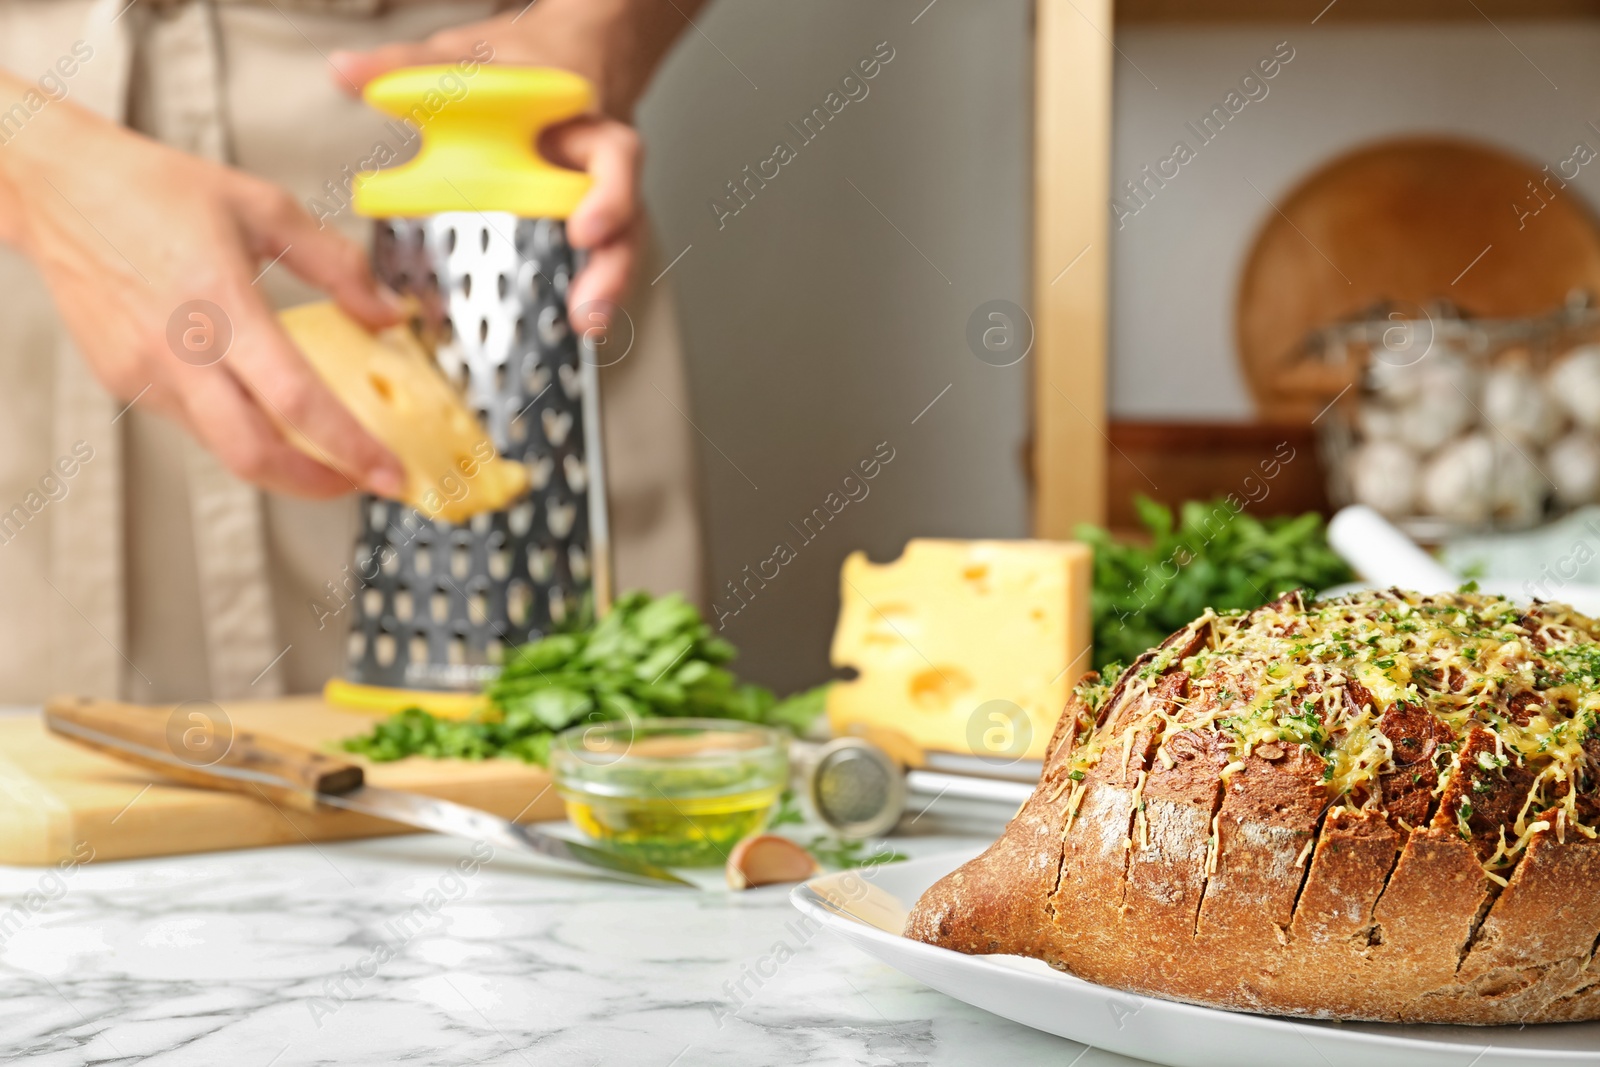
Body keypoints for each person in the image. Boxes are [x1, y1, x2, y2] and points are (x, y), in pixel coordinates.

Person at [0, 0, 706, 702]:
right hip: (30, 171)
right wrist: (32, 169)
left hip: (460, 169)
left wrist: (596, 31)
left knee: (553, 769)